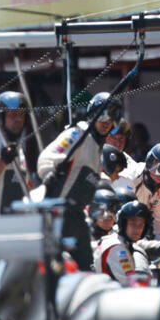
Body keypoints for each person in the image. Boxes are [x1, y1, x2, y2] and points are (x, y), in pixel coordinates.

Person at [37, 91, 120, 270]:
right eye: (102, 114)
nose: (106, 121)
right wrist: (49, 173)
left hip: (77, 217)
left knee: (86, 267)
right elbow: (47, 158)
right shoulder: (78, 134)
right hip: (57, 214)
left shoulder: (98, 147)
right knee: (58, 268)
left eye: (112, 116)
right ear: (92, 113)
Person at [114, 143, 160, 240]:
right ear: (149, 162)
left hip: (138, 228)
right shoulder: (130, 178)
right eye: (157, 167)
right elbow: (118, 213)